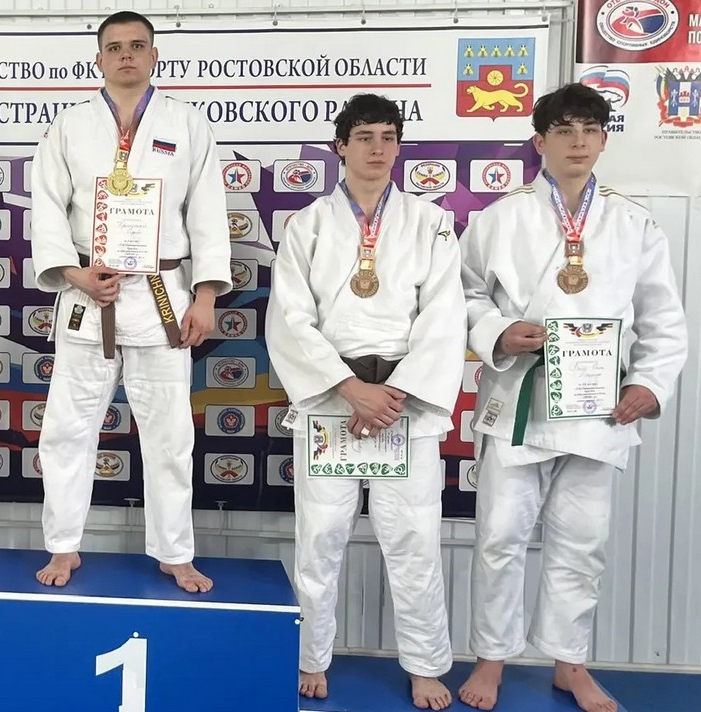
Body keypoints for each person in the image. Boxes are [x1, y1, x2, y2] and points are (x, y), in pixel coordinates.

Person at [457, 83, 687, 712]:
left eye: (589, 129)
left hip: (597, 405)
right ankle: (492, 658)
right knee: (499, 537)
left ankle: (570, 662)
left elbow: (663, 317)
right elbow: (463, 294)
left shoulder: (633, 222)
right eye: (564, 130)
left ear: (604, 139)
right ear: (540, 141)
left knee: (582, 541)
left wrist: (648, 383)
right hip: (521, 397)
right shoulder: (499, 217)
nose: (578, 141)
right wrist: (497, 330)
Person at [266, 93, 466, 710]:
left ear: (399, 146)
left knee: (413, 538)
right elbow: (290, 318)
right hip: (334, 399)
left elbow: (444, 315)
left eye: (388, 137)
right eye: (364, 137)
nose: (378, 148)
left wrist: (394, 393)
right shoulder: (307, 225)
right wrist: (350, 388)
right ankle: (311, 655)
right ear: (340, 147)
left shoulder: (431, 222)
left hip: (404, 405)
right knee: (320, 536)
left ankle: (426, 664)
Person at [29, 11, 231, 593]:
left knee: (170, 437)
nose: (126, 55)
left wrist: (206, 295)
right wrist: (74, 273)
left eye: (137, 46)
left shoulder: (186, 123)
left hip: (163, 296)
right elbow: (46, 207)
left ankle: (175, 552)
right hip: (87, 293)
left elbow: (208, 213)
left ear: (154, 56)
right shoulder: (70, 126)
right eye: (114, 47)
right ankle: (63, 546)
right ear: (98, 59)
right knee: (67, 431)